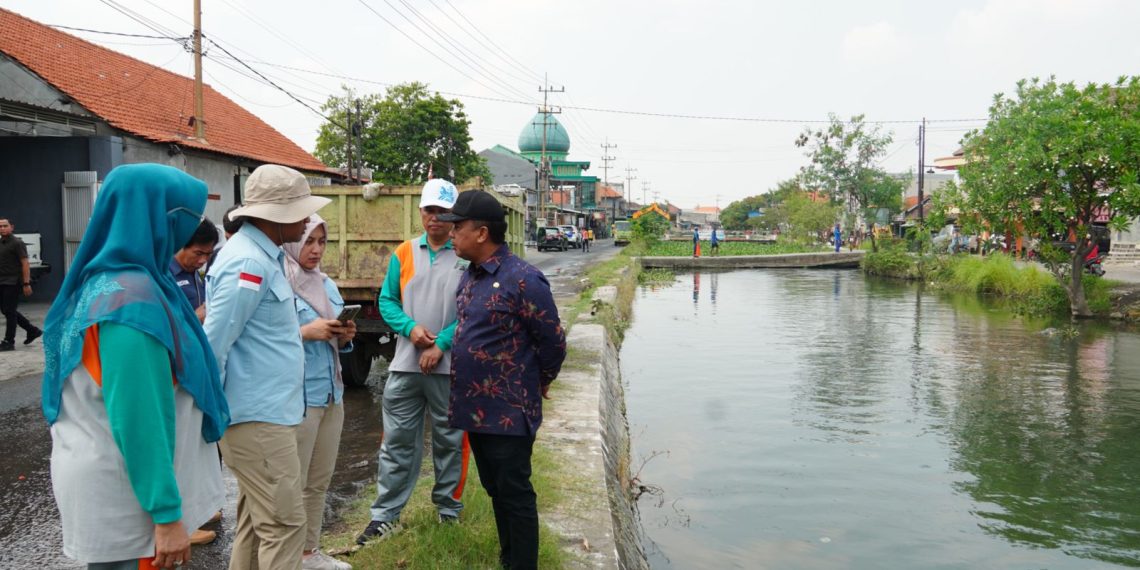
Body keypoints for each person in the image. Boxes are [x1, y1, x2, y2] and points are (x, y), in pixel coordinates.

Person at [42, 163, 229, 569]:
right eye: (187, 219)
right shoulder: (131, 302)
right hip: (128, 496)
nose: (190, 230)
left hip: (119, 479)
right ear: (162, 220)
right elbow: (138, 414)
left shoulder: (106, 282)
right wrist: (165, 515)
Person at [204, 164, 331, 570]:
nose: (306, 220)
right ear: (275, 216)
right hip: (257, 417)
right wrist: (213, 410)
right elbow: (215, 340)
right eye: (301, 211)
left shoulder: (263, 255)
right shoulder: (248, 263)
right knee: (284, 525)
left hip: (268, 413)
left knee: (257, 526)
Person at [440, 191, 567, 570]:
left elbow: (553, 341)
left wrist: (538, 382)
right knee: (496, 490)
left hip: (509, 411)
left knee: (515, 494)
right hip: (475, 411)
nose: (450, 234)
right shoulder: (471, 276)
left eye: (457, 227)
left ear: (481, 233)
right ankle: (509, 558)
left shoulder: (524, 279)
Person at [357, 179, 469, 545]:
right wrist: (410, 329)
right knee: (397, 442)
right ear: (420, 212)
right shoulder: (404, 253)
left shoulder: (466, 256)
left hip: (449, 367)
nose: (435, 219)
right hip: (405, 364)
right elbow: (387, 300)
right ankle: (385, 516)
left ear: (454, 216)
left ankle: (448, 511)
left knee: (449, 441)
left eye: (442, 212)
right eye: (429, 211)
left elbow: (472, 309)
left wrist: (443, 343)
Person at [284, 214, 355, 570]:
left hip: (331, 392)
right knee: (291, 483)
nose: (315, 250)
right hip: (297, 397)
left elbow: (337, 342)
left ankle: (310, 551)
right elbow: (261, 341)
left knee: (319, 480)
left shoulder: (326, 284)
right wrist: (304, 332)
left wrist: (344, 337)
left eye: (322, 242)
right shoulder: (279, 282)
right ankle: (286, 556)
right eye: (309, 240)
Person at [0, 218, 41, 351]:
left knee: (9, 311)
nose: (2, 228)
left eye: (5, 226)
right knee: (6, 310)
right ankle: (32, 330)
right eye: (0, 226)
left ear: (11, 227)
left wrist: (26, 283)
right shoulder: (2, 242)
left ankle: (9, 341)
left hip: (13, 281)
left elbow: (25, 263)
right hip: (2, 281)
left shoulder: (17, 243)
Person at [170, 220, 219, 324]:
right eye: (198, 253)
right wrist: (195, 318)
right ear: (181, 245)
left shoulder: (194, 271)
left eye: (208, 254)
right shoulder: (164, 275)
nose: (204, 260)